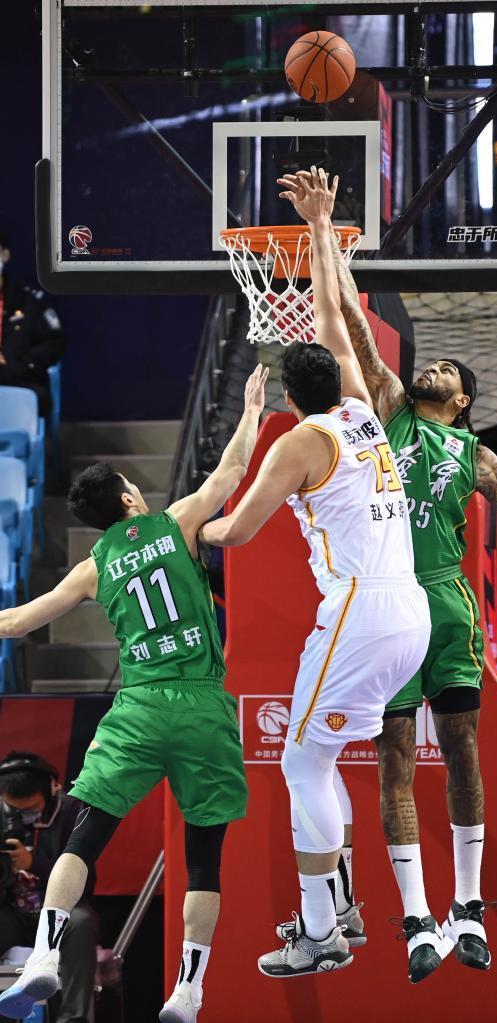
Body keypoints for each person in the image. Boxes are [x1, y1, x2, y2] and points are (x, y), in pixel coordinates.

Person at [276, 168, 497, 981]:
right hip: (391, 600)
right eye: (433, 364)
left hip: (443, 601)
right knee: (395, 754)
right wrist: (327, 236)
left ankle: (467, 904)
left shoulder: (479, 457)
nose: (434, 368)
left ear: (463, 399)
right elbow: (348, 325)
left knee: (462, 746)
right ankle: (415, 917)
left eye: (449, 370)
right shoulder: (389, 407)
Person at [199, 170, 433, 980]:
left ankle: (320, 931)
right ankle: (342, 908)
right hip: (408, 615)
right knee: (319, 761)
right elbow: (334, 316)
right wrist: (323, 227)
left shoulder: (299, 440)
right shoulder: (362, 410)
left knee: (301, 764)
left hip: (362, 615)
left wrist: (194, 522)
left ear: (290, 397)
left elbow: (237, 529)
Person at [0, 364, 268, 1023]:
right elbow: (233, 471)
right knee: (204, 859)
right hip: (202, 706)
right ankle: (188, 992)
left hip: (139, 709)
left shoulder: (92, 568)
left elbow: (16, 622)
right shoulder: (178, 522)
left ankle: (43, 957)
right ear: (127, 499)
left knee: (81, 839)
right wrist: (251, 412)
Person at [0, 751, 98, 1023]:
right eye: (14, 809)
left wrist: (33, 863)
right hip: (10, 911)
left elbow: (87, 880)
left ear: (50, 791)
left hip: (59, 911)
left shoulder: (72, 812)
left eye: (30, 808)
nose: (22, 816)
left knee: (82, 920)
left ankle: (74, 1019)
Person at [0, 231, 65, 416]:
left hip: (18, 382)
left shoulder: (30, 303)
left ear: (5, 255)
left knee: (33, 399)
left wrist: (19, 366)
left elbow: (54, 343)